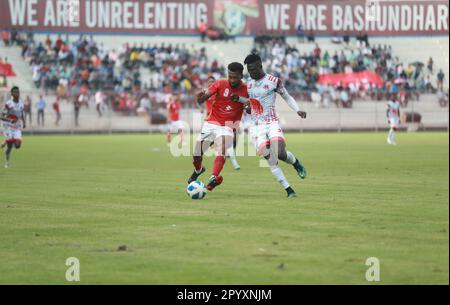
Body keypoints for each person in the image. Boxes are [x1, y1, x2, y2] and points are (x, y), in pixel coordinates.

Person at [240, 53, 307, 198]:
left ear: (260, 65)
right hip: (256, 126)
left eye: (253, 69)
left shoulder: (273, 81)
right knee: (270, 158)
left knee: (280, 153)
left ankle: (296, 163)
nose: (251, 72)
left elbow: (287, 97)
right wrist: (246, 107)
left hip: (271, 123)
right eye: (249, 70)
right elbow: (252, 104)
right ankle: (289, 190)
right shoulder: (249, 83)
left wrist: (298, 110)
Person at [189, 62, 262, 191]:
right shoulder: (220, 83)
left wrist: (246, 106)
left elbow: (253, 108)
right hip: (211, 122)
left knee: (221, 148)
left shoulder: (246, 90)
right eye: (230, 76)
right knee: (196, 154)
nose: (232, 80)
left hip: (229, 126)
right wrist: (199, 98)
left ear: (241, 75)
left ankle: (213, 177)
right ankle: (199, 169)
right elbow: (203, 99)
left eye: (235, 77)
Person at [0, 86, 26, 168]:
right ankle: (7, 162)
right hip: (8, 126)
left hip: (16, 127)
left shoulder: (21, 103)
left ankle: (7, 141)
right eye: (15, 92)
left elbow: (21, 113)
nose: (17, 93)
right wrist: (9, 120)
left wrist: (24, 122)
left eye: (18, 92)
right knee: (10, 146)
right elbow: (1, 116)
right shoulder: (8, 104)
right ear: (11, 94)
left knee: (18, 145)